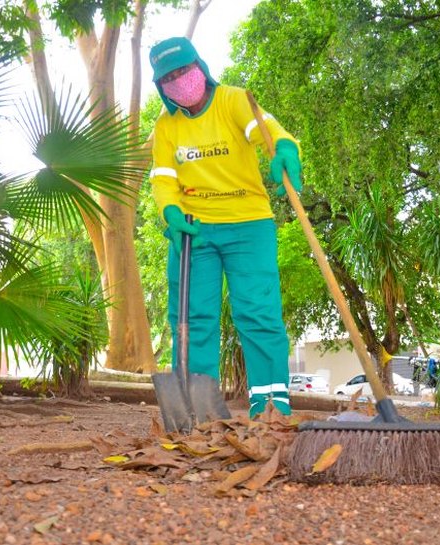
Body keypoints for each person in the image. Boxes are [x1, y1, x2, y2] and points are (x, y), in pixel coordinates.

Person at [147, 36, 302, 419]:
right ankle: (199, 409)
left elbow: (264, 129)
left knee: (258, 312)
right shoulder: (166, 127)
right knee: (192, 316)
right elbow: (164, 178)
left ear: (200, 66)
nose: (179, 79)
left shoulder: (233, 100)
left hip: (248, 224)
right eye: (169, 77)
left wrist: (283, 148)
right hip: (194, 229)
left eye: (184, 69)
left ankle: (270, 405)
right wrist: (171, 214)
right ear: (161, 86)